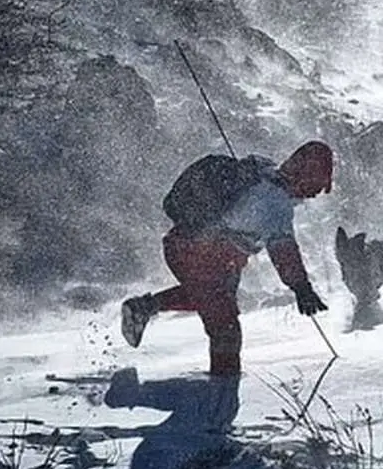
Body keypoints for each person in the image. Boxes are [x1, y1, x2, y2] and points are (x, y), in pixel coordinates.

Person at [120, 141, 333, 377]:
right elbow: (284, 251)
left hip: (191, 248)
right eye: (318, 184)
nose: (316, 193)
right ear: (305, 175)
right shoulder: (276, 204)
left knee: (211, 300)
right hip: (199, 254)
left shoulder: (262, 171)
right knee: (226, 330)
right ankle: (222, 387)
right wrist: (301, 287)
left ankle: (142, 308)